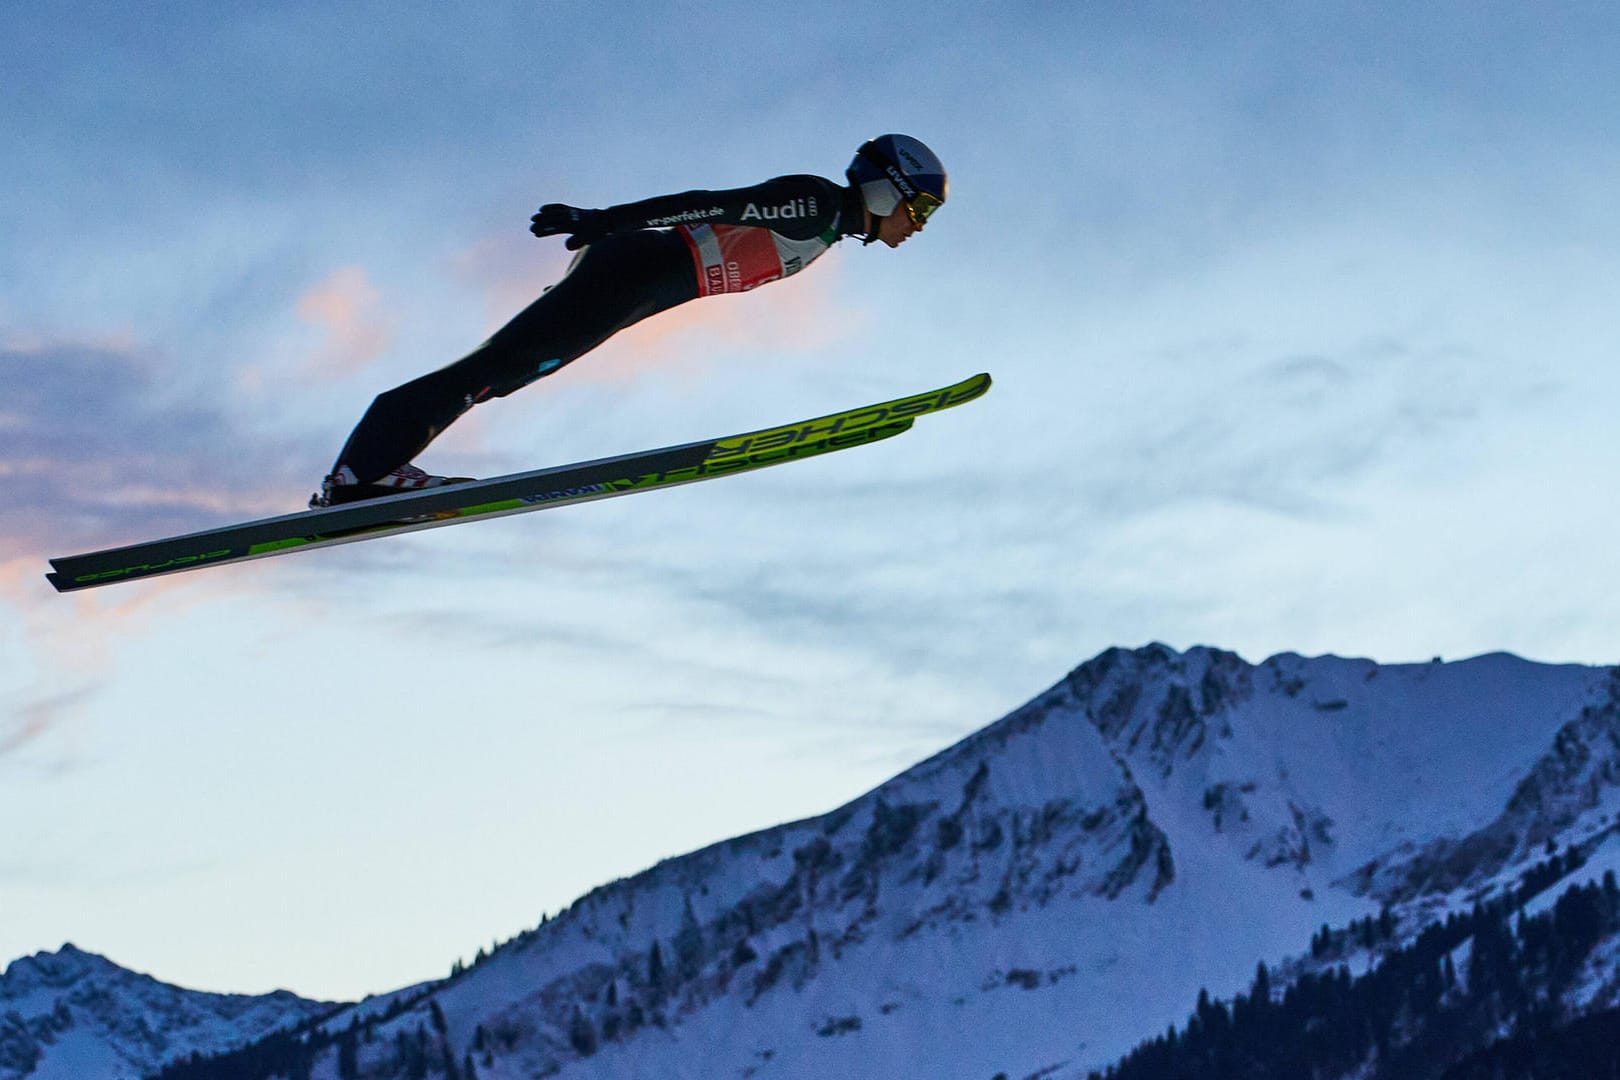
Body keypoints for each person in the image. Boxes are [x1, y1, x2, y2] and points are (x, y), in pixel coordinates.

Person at [310, 134, 949, 507]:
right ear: (887, 188)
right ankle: (362, 475)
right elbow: (710, 202)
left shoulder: (828, 227)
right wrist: (603, 220)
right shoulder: (816, 204)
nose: (916, 226)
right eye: (916, 209)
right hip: (629, 271)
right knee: (494, 370)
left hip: (633, 281)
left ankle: (361, 473)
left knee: (499, 370)